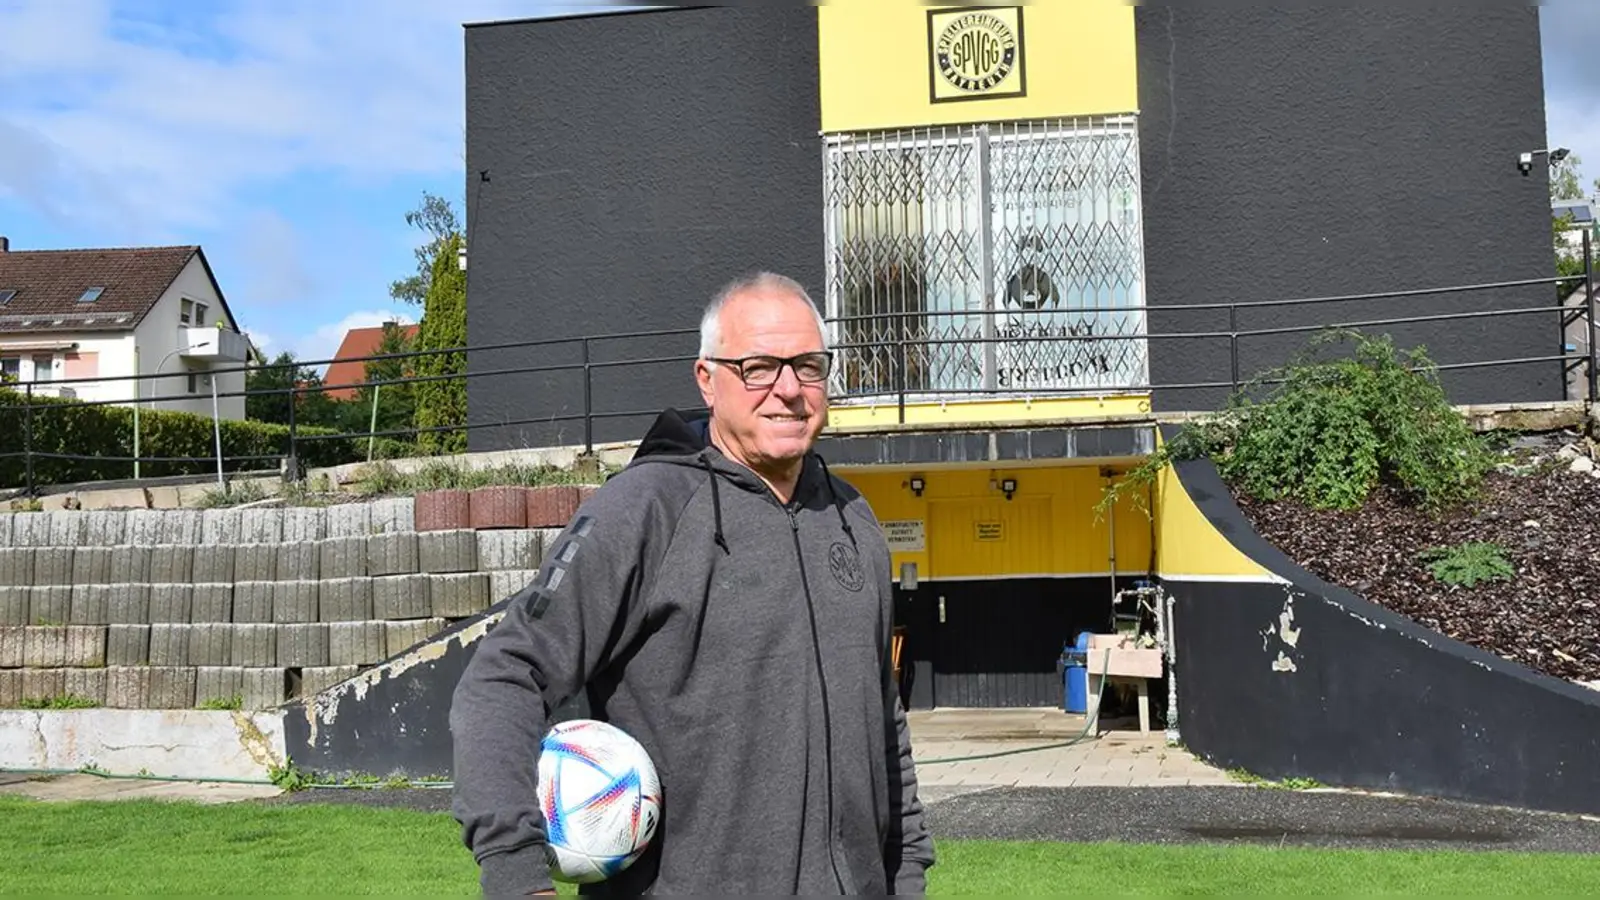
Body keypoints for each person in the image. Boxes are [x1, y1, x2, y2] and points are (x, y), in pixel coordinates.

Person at [449, 272, 936, 896]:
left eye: (809, 366)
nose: (789, 390)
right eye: (759, 366)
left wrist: (908, 871)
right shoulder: (644, 510)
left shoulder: (854, 520)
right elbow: (505, 677)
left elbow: (882, 714)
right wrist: (516, 873)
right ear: (707, 379)